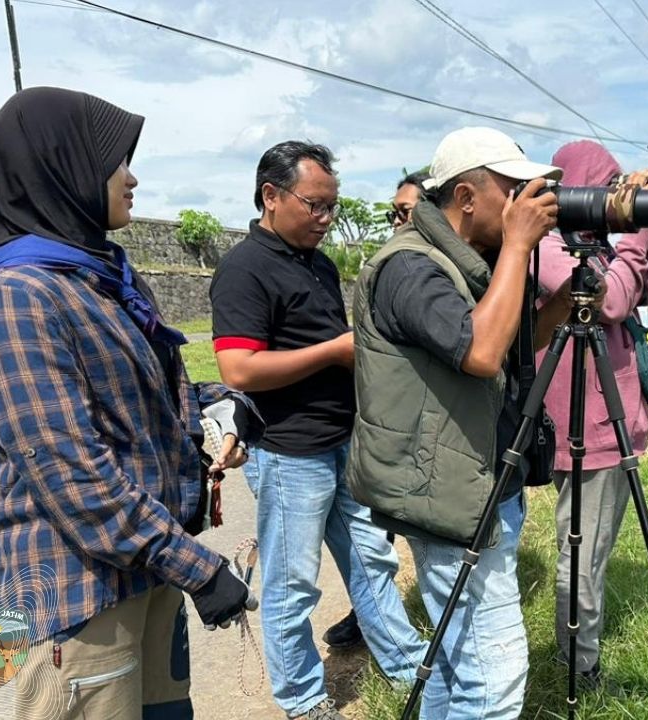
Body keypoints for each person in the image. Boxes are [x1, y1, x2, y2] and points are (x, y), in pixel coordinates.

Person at [0, 87, 255, 719]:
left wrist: (223, 407)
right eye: (117, 159)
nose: (132, 176)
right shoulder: (20, 294)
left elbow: (142, 395)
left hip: (143, 566)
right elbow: (72, 473)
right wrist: (199, 569)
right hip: (74, 591)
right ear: (61, 168)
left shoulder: (100, 276)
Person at [349, 126, 564, 719]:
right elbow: (480, 352)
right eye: (513, 189)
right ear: (466, 197)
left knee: (454, 664)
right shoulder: (410, 269)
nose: (528, 200)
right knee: (494, 681)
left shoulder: (465, 261)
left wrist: (567, 296)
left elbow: (511, 345)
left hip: (480, 482)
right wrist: (519, 249)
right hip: (445, 493)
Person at [210, 141, 424, 719]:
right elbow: (239, 369)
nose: (327, 219)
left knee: (371, 562)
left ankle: (407, 667)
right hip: (288, 454)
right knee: (292, 584)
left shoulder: (319, 263)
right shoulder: (243, 269)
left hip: (341, 442)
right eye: (315, 205)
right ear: (271, 196)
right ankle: (303, 699)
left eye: (333, 206)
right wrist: (334, 351)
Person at [534, 140, 648, 690]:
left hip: (613, 422)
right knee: (582, 558)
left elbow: (647, 285)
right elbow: (612, 301)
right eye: (610, 185)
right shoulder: (547, 247)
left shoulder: (596, 245)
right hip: (585, 428)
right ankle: (581, 670)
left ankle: (577, 658)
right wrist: (635, 235)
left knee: (591, 553)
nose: (618, 196)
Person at [322, 168, 429, 650]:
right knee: (374, 537)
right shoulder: (388, 267)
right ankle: (370, 618)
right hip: (383, 426)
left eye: (406, 212)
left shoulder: (453, 271)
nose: (397, 222)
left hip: (434, 432)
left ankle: (435, 618)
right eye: (394, 213)